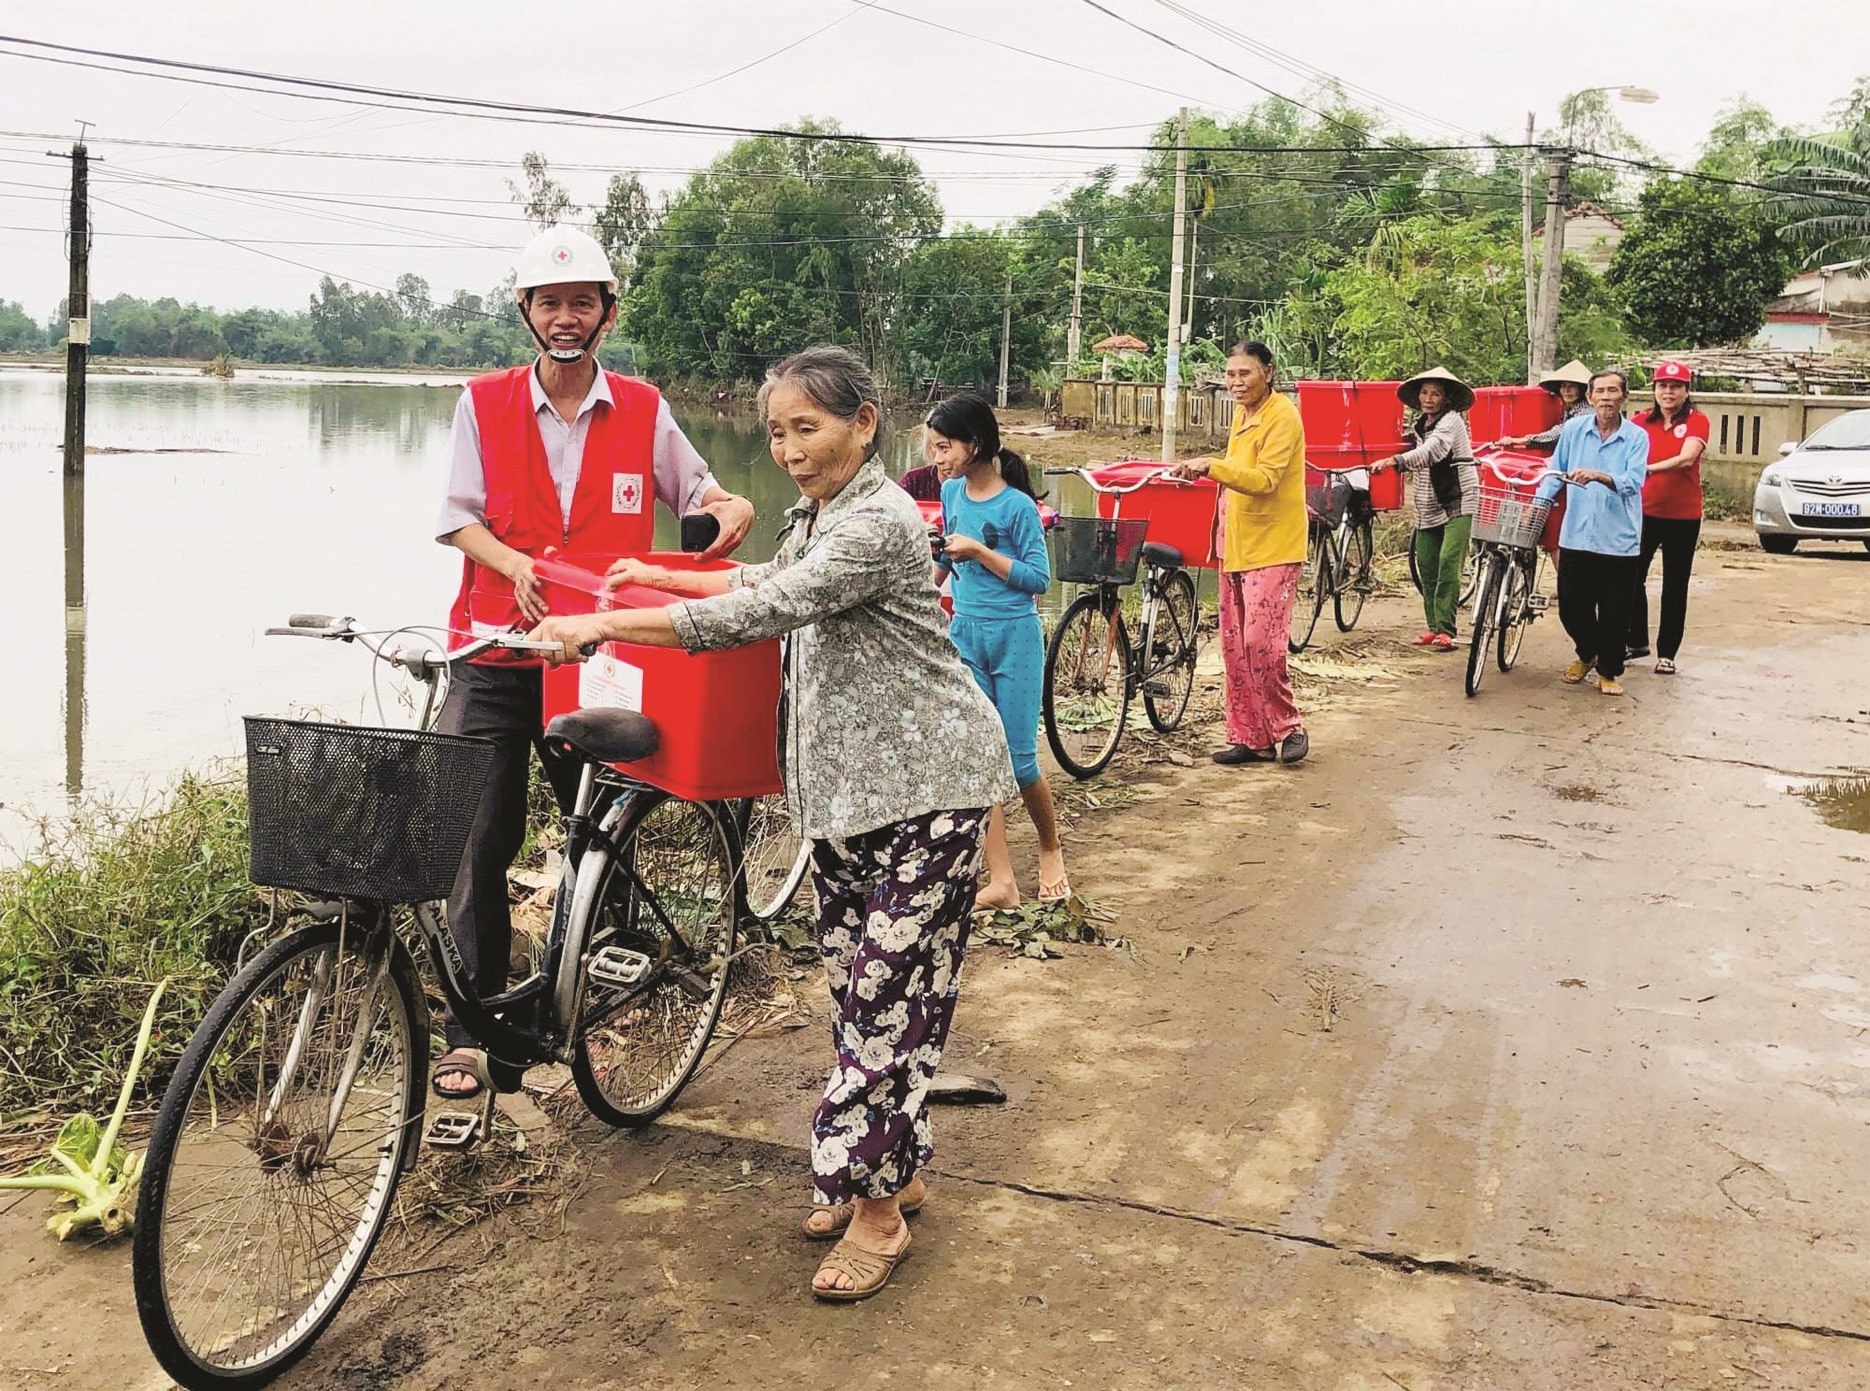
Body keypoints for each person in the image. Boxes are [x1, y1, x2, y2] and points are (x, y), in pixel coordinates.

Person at [531, 345, 1016, 1303]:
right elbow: (760, 580)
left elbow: (774, 610)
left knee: (883, 999)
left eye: (809, 428)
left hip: (932, 789)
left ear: (865, 422)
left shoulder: (876, 520)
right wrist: (659, 582)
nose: (790, 451)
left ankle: (876, 1209)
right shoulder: (821, 514)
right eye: (778, 434)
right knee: (861, 996)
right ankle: (897, 1166)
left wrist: (606, 626)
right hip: (844, 798)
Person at [431, 225, 755, 1100]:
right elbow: (458, 517)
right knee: (478, 840)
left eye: (582, 302)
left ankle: (591, 1004)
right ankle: (475, 1030)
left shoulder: (644, 409)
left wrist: (731, 504)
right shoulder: (483, 402)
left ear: (606, 314)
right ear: (528, 315)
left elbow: (701, 493)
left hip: (604, 658)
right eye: (550, 303)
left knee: (603, 831)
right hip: (498, 650)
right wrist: (514, 566)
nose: (566, 317)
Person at [926, 393, 1069, 907]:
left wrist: (981, 552)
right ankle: (1002, 880)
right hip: (965, 633)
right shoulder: (952, 495)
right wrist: (930, 571)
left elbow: (1038, 579)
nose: (937, 458)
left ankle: (1051, 849)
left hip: (1014, 638)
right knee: (979, 758)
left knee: (1020, 762)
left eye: (944, 447)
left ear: (975, 444)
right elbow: (945, 564)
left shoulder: (1017, 507)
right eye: (934, 448)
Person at [1170, 341, 1309, 766]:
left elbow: (1265, 479)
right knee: (1233, 646)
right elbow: (1237, 475)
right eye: (1230, 375)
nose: (1235, 382)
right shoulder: (1242, 414)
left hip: (1274, 545)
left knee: (1260, 644)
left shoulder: (1282, 416)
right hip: (1234, 541)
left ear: (1268, 371)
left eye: (1244, 374)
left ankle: (1289, 727)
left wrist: (1211, 465)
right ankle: (1252, 737)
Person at [1535, 369, 1649, 697]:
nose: (1606, 398)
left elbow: (1633, 481)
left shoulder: (1636, 437)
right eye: (1600, 391)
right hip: (1576, 534)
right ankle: (1587, 653)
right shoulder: (1573, 430)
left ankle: (1609, 671)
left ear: (1624, 397)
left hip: (1618, 539)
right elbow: (1556, 470)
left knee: (1614, 612)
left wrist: (1600, 476)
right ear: (1590, 397)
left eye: (1613, 391)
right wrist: (1540, 502)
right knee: (1571, 607)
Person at [1372, 366, 1478, 652]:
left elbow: (1435, 451)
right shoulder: (1419, 428)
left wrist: (1395, 460)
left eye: (1436, 393)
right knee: (1427, 566)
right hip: (1428, 504)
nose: (1428, 398)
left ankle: (1447, 629)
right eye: (1424, 392)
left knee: (1448, 563)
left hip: (1459, 500)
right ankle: (1433, 626)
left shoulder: (1451, 422)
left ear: (1446, 399)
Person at [1626, 360, 1710, 674]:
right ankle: (1636, 641)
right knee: (1632, 577)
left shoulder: (1698, 421)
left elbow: (1687, 459)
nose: (1668, 391)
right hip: (1643, 512)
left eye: (1675, 386)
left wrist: (1645, 469)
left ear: (1687, 391)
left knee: (1675, 585)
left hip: (1682, 516)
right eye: (1663, 385)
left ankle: (1667, 653)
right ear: (1655, 389)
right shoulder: (1638, 422)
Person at [1497, 359, 1594, 450]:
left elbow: (1559, 433)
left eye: (1572, 386)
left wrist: (1519, 440)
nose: (1566, 390)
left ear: (1581, 390)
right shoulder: (1569, 409)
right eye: (1563, 386)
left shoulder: (1585, 412)